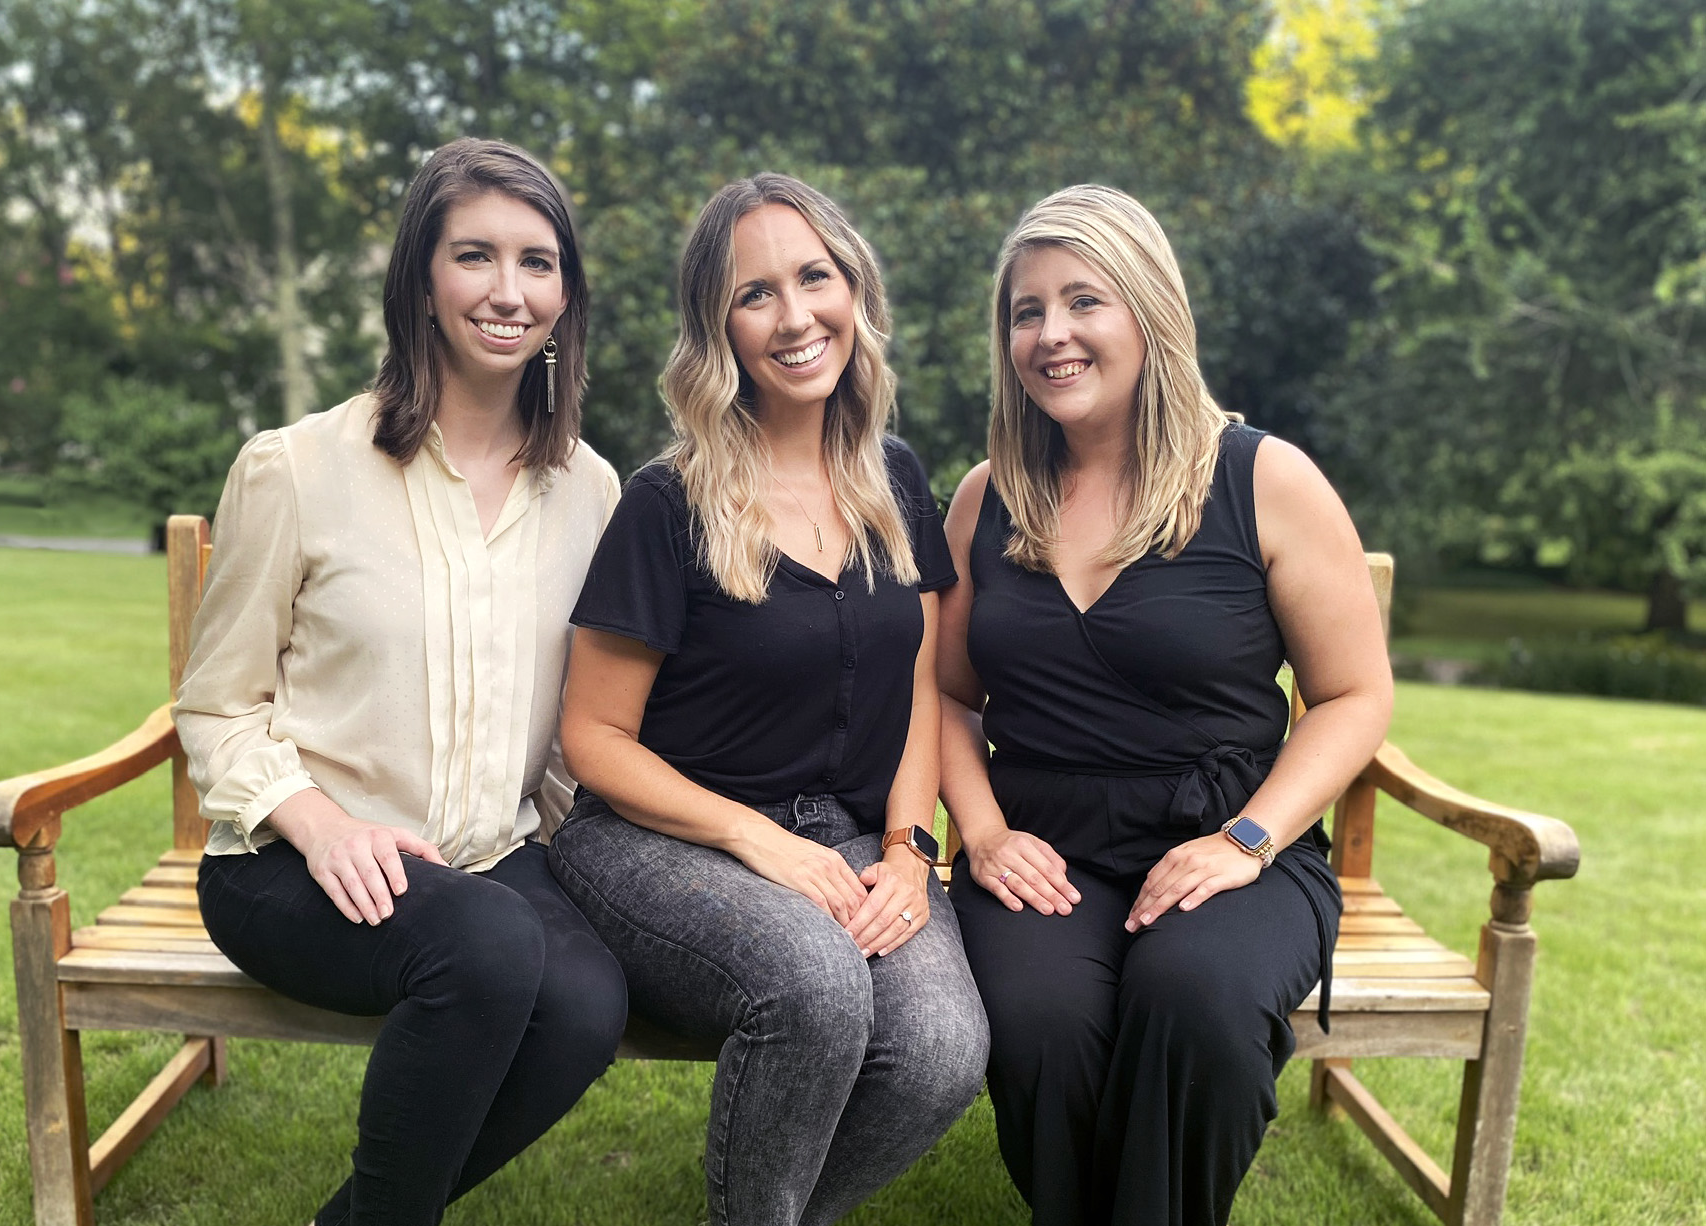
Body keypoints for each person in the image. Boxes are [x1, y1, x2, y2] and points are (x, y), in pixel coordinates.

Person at [173, 138, 627, 1226]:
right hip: (288, 864)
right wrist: (322, 825)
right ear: (421, 280)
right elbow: (216, 703)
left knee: (585, 1000)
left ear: (566, 295)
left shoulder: (590, 490)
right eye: (474, 255)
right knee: (485, 946)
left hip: (488, 859)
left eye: (537, 261)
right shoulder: (297, 466)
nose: (507, 291)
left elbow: (583, 725)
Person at [936, 184, 1394, 1226]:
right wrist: (986, 828)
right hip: (1041, 845)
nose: (1050, 333)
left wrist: (1244, 838)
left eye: (1082, 300)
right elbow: (948, 697)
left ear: (1147, 309)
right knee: (1042, 1021)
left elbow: (1353, 694)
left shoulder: (1262, 480)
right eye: (1024, 310)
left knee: (1192, 1001)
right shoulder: (984, 495)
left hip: (1230, 836)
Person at [548, 173, 989, 1226]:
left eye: (813, 277)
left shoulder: (893, 477)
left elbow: (924, 680)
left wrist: (904, 847)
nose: (794, 317)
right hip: (658, 840)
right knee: (813, 985)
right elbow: (591, 738)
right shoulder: (669, 501)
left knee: (941, 1050)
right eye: (755, 294)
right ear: (717, 329)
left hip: (847, 839)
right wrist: (758, 841)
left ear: (853, 290)